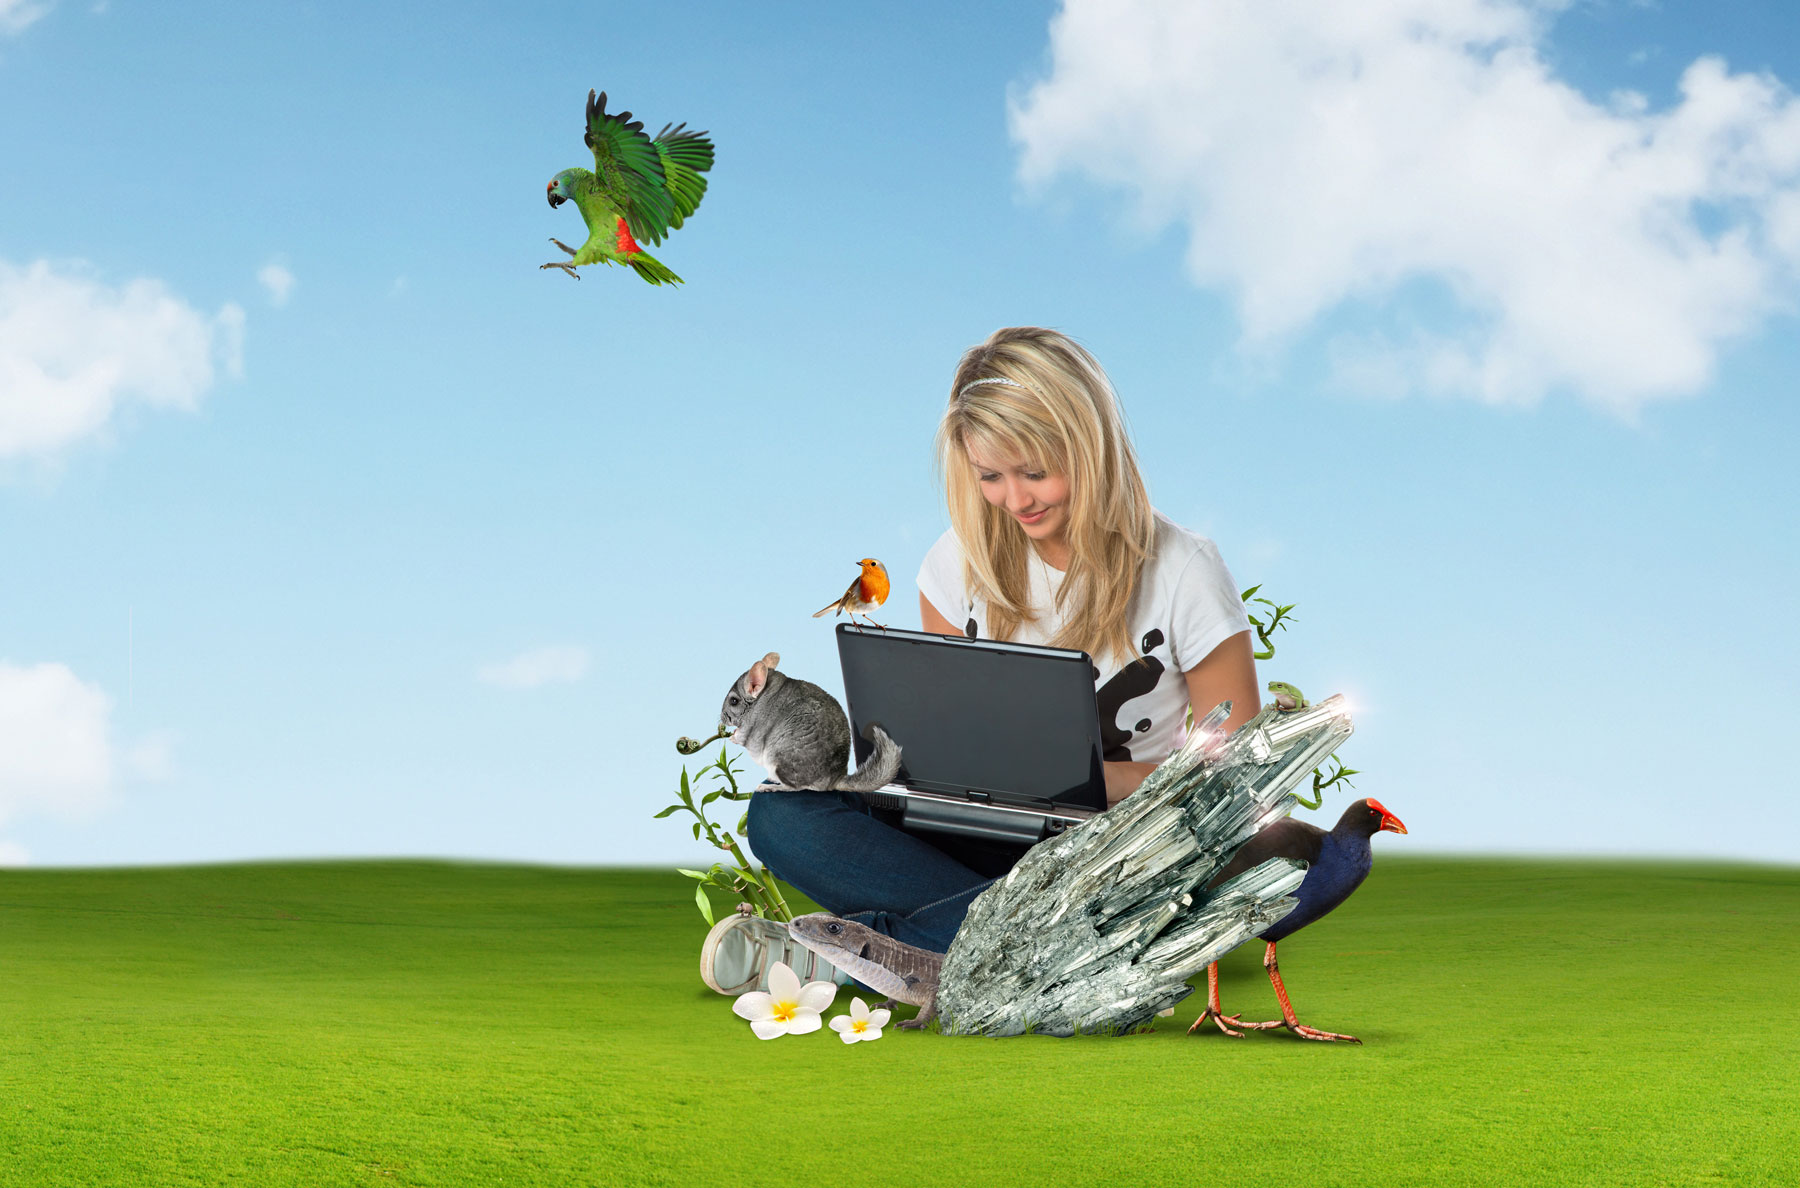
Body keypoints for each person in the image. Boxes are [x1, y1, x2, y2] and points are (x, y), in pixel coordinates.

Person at [700, 327, 1260, 996]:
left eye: (1036, 472)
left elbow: (1240, 775)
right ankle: (1040, 948)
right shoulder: (953, 564)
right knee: (780, 816)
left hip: (1109, 844)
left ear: (1092, 449)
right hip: (980, 837)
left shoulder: (1184, 571)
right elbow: (946, 745)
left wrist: (1083, 783)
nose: (1015, 500)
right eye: (990, 476)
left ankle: (856, 953)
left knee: (1109, 884)